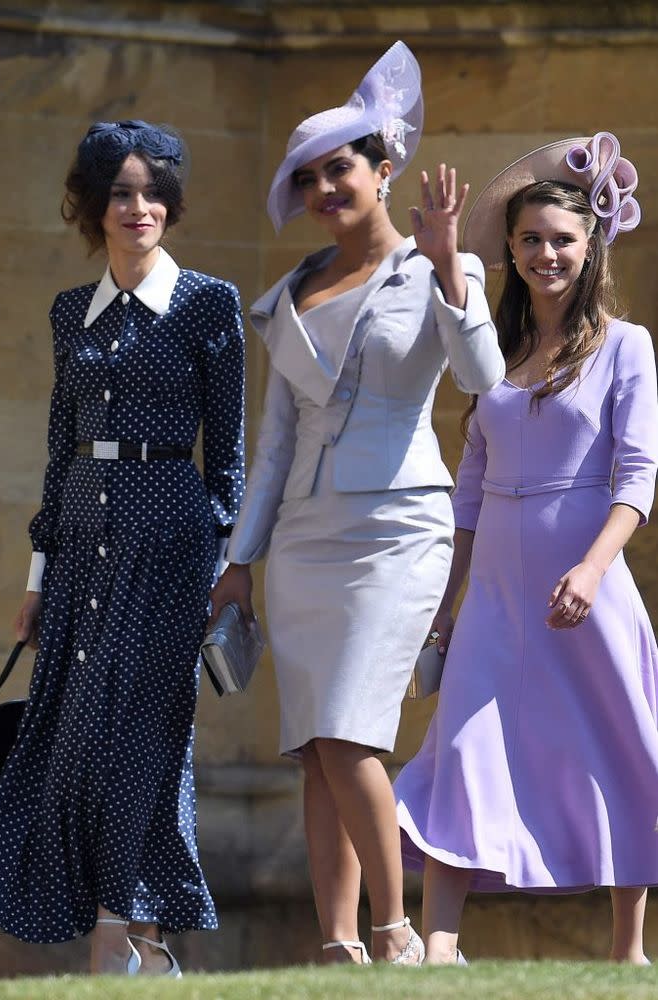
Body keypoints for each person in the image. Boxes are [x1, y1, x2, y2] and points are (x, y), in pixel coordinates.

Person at [210, 42, 504, 966]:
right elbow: (275, 446)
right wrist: (239, 560)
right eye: (308, 178)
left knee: (347, 734)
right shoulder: (288, 296)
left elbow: (483, 383)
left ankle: (396, 930)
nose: (325, 187)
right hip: (301, 542)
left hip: (397, 532)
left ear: (384, 170)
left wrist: (455, 267)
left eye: (341, 167)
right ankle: (337, 945)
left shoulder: (439, 272)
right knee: (313, 745)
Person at [0, 120, 245, 976]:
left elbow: (224, 453)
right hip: (81, 540)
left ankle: (129, 929)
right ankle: (126, 937)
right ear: (92, 205)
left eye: (154, 191)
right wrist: (38, 576)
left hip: (168, 540)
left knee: (147, 733)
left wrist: (225, 568)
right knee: (71, 733)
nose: (140, 206)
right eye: (121, 191)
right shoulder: (66, 313)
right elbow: (57, 450)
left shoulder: (208, 303)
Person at [393, 131, 658, 965]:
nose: (547, 254)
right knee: (460, 748)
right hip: (497, 596)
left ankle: (627, 950)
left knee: (620, 746)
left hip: (588, 589)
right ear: (509, 248)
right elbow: (469, 488)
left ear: (591, 249)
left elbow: (639, 475)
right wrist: (446, 603)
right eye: (532, 239)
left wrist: (592, 565)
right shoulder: (496, 356)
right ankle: (438, 951)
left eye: (563, 240)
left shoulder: (628, 346)